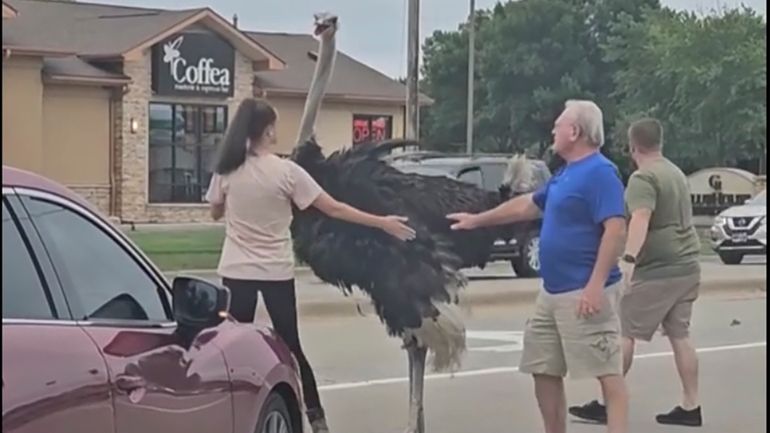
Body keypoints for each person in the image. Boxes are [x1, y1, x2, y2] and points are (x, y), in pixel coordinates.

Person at [205, 98, 416, 433]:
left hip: (235, 270)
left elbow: (215, 211)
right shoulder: (287, 172)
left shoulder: (226, 170)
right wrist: (382, 222)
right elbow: (334, 209)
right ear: (268, 130)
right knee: (291, 346)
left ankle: (230, 416)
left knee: (234, 348)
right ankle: (317, 419)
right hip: (276, 271)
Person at [448, 99, 629, 433]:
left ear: (575, 132)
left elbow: (615, 230)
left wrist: (594, 285)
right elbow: (527, 206)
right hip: (552, 292)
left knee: (607, 373)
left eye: (559, 124)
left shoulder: (601, 173)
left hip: (584, 291)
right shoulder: (566, 174)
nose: (553, 130)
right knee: (542, 367)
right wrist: (477, 220)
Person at [569, 118, 703, 427]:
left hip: (659, 269)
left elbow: (641, 218)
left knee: (625, 334)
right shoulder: (675, 172)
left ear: (632, 147)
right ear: (659, 143)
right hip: (688, 265)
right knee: (680, 335)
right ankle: (691, 404)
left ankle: (607, 403)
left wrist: (628, 259)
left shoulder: (643, 178)